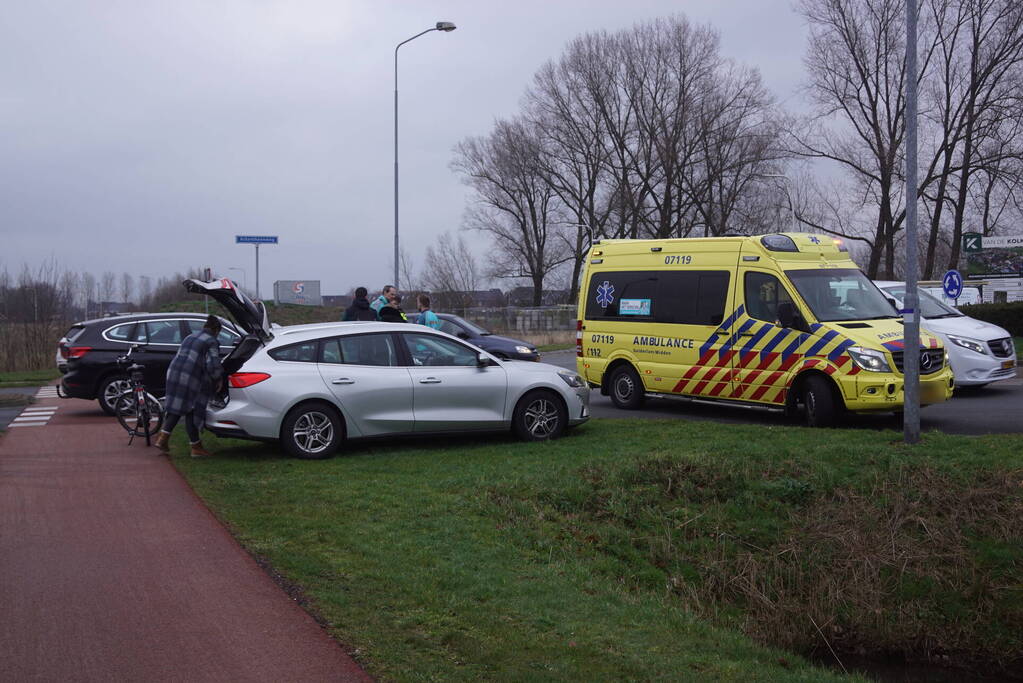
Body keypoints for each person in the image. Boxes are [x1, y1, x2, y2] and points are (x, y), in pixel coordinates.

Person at [152, 315, 224, 458]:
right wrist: (218, 378)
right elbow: (213, 364)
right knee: (192, 409)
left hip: (174, 373)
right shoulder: (211, 341)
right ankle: (196, 448)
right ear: (216, 330)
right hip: (192, 376)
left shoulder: (190, 336)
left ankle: (163, 439)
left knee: (176, 407)